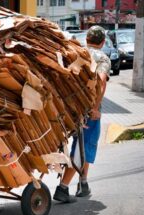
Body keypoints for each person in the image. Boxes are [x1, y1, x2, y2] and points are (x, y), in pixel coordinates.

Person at [53, 25, 111, 203]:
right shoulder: (102, 58)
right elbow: (101, 82)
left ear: (87, 40)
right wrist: (94, 108)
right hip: (85, 111)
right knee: (83, 147)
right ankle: (63, 188)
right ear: (102, 42)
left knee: (86, 146)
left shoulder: (75, 52)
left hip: (65, 107)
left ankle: (83, 183)